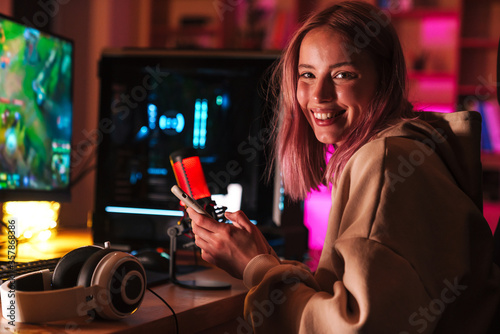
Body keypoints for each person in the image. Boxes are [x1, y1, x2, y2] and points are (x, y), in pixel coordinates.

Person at [187, 1, 500, 332]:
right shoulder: (401, 151)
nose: (318, 95)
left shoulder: (387, 161)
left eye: (342, 75)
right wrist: (267, 261)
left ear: (384, 80)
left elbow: (354, 326)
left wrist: (253, 266)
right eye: (307, 74)